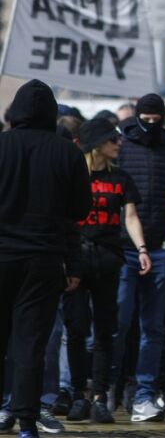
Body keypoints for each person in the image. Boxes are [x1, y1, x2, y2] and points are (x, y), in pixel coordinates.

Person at [0, 80, 91, 438]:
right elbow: (80, 209)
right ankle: (26, 422)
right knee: (31, 343)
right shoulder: (66, 151)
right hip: (43, 259)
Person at [114, 93, 165, 423]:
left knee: (153, 329)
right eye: (145, 118)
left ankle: (144, 395)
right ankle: (108, 389)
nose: (150, 125)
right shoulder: (122, 149)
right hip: (122, 249)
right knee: (118, 326)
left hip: (162, 250)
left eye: (156, 119)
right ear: (136, 117)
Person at [64, 118, 150, 425]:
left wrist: (141, 249)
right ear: (98, 144)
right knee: (75, 329)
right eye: (113, 140)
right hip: (75, 261)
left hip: (108, 260)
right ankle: (77, 394)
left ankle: (100, 397)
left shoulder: (121, 178)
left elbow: (130, 217)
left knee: (105, 331)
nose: (119, 144)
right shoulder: (74, 178)